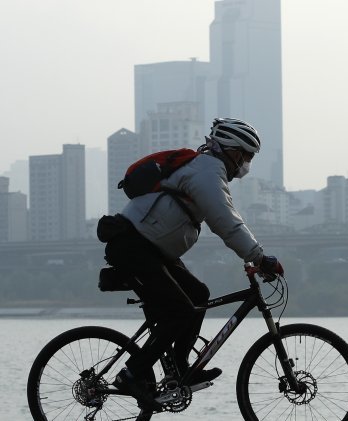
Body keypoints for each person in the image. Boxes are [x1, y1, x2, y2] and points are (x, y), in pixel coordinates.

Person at [97, 117, 284, 410]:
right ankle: (131, 375)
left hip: (151, 250)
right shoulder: (206, 172)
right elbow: (227, 222)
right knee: (181, 311)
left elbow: (227, 220)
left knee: (198, 296)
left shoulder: (208, 169)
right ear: (233, 151)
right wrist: (260, 257)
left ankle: (182, 367)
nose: (246, 164)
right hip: (134, 247)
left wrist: (255, 256)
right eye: (246, 157)